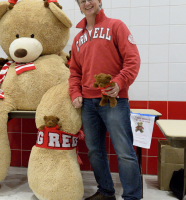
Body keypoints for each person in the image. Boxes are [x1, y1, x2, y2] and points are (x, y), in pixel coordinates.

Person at [68, 0, 142, 200]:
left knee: (125, 152)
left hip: (114, 101)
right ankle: (106, 192)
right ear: (79, 6)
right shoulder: (78, 39)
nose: (86, 3)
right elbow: (74, 71)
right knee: (94, 151)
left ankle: (132, 197)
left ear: (99, 1)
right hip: (87, 104)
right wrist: (75, 93)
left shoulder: (116, 26)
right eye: (81, 1)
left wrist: (119, 83)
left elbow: (132, 60)